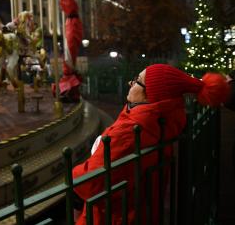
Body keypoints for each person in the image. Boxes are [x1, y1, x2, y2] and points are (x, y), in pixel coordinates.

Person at [72, 64, 230, 225]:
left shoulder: (132, 130)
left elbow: (94, 180)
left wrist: (74, 188)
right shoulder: (161, 121)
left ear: (151, 95)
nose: (130, 83)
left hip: (113, 216)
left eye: (137, 81)